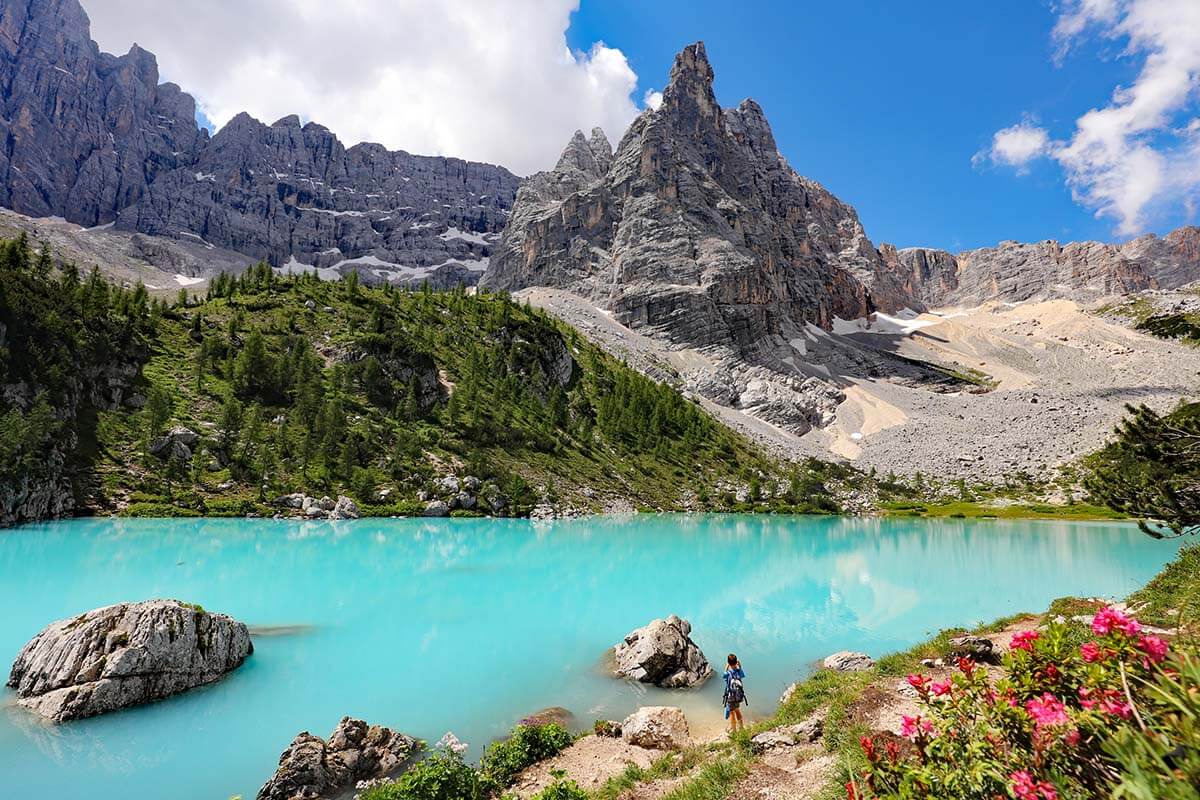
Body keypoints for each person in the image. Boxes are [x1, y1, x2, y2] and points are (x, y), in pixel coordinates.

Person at [722, 653, 746, 732]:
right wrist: (740, 666)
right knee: (737, 710)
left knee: (732, 713)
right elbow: (743, 676)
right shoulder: (739, 672)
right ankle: (741, 728)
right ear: (736, 662)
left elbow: (723, 675)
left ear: (728, 663)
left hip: (731, 696)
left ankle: (734, 730)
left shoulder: (728, 673)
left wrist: (727, 667)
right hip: (738, 696)